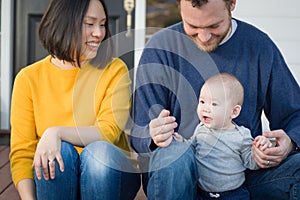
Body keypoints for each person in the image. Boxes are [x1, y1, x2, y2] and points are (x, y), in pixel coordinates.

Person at [131, 0, 300, 199]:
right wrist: (153, 134)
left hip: (244, 177)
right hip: (179, 176)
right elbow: (139, 130)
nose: (203, 37)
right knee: (174, 155)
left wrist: (288, 142)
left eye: (214, 26)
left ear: (232, 4)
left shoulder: (259, 46)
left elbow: (294, 115)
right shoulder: (161, 47)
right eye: (192, 26)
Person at [10, 0, 140, 199]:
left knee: (98, 152)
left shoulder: (115, 70)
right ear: (63, 24)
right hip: (58, 179)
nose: (99, 33)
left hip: (109, 177)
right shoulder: (28, 78)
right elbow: (22, 154)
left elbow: (107, 133)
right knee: (59, 152)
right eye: (90, 24)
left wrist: (56, 132)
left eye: (103, 24)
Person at [174, 73, 274, 199]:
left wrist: (261, 149)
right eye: (202, 101)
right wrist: (181, 141)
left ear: (234, 112)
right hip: (202, 194)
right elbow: (192, 148)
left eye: (214, 104)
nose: (205, 108)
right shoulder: (200, 129)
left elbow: (251, 163)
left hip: (233, 194)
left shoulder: (241, 135)